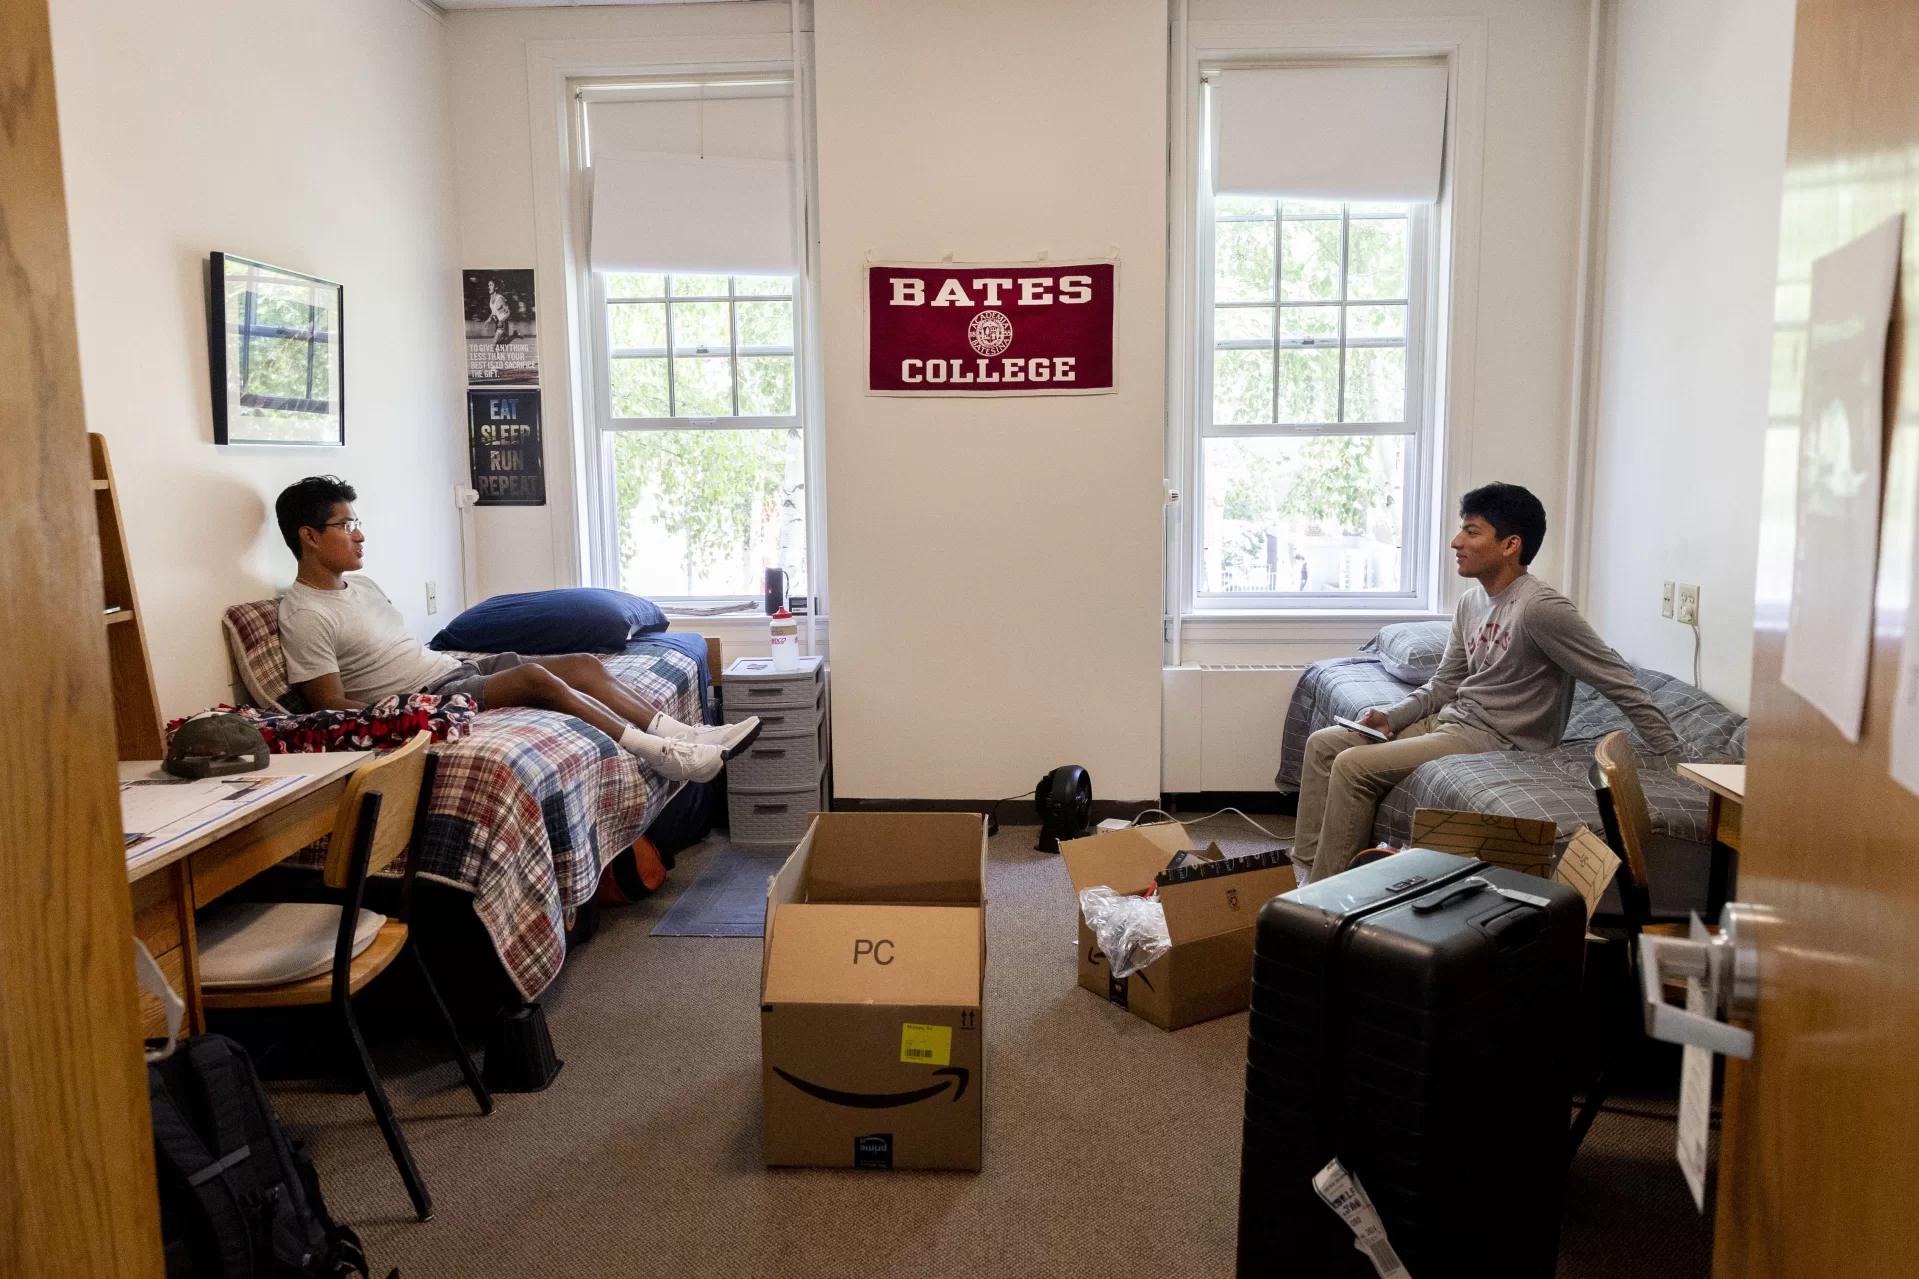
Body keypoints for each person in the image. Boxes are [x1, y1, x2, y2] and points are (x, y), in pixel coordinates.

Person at [1291, 482, 1681, 886]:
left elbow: (1617, 679)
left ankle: (1326, 901)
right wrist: (1390, 717)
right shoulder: (1471, 602)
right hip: (1453, 720)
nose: (1456, 541)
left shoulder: (1540, 608)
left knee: (1353, 766)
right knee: (1324, 744)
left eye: (1472, 532)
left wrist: (1672, 755)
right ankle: (1303, 878)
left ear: (1511, 544)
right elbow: (1444, 685)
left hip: (1497, 738)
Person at [272, 476, 756, 783]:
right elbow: (328, 707)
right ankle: (664, 754)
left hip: (450, 669)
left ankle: (692, 734)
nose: (359, 534)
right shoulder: (304, 614)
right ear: (310, 537)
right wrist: (409, 716)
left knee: (584, 665)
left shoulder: (364, 586)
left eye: (356, 522)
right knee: (538, 680)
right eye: (344, 525)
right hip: (425, 698)